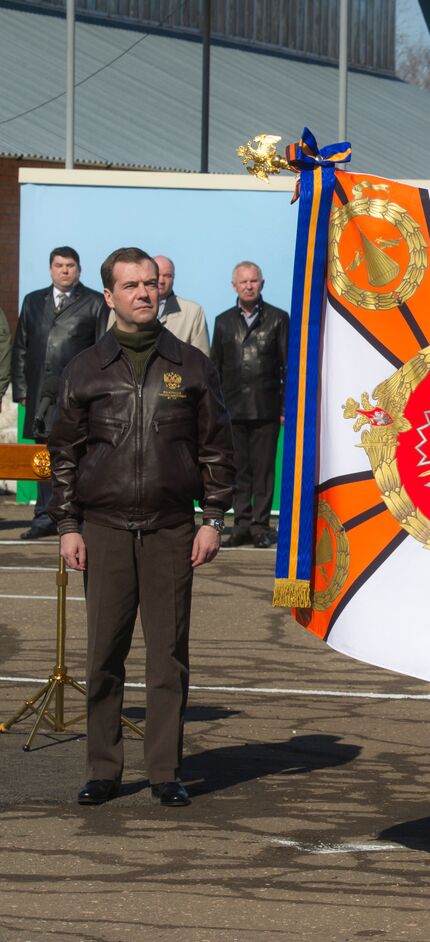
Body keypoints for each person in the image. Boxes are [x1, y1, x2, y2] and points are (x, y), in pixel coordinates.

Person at [47, 247, 235, 807]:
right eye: (130, 286)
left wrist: (214, 519)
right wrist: (67, 524)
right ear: (109, 296)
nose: (143, 293)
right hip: (101, 528)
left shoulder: (192, 365)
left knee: (168, 655)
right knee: (103, 653)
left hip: (172, 529)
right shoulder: (84, 368)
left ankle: (164, 771)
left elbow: (216, 450)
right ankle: (102, 768)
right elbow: (64, 453)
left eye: (150, 284)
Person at [10, 246, 106, 539]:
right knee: (43, 458)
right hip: (40, 396)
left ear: (79, 269)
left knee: (76, 455)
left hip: (76, 395)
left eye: (70, 265)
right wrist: (23, 392)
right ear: (50, 269)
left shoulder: (95, 302)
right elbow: (21, 348)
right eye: (59, 265)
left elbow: (100, 349)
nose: (64, 270)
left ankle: (73, 516)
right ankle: (43, 515)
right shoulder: (32, 301)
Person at [211, 261, 288, 548]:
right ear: (234, 286)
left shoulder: (279, 319)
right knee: (237, 470)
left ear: (262, 283)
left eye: (253, 281)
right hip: (232, 409)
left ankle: (260, 526)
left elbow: (287, 368)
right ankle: (240, 525)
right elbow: (214, 369)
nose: (248, 286)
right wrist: (215, 409)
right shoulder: (222, 322)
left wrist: (284, 408)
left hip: (266, 409)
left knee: (264, 471)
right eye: (243, 282)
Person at [108, 255, 210, 355]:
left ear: (174, 278)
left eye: (167, 276)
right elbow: (108, 349)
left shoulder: (192, 312)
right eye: (158, 276)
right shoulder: (120, 309)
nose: (161, 281)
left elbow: (202, 359)